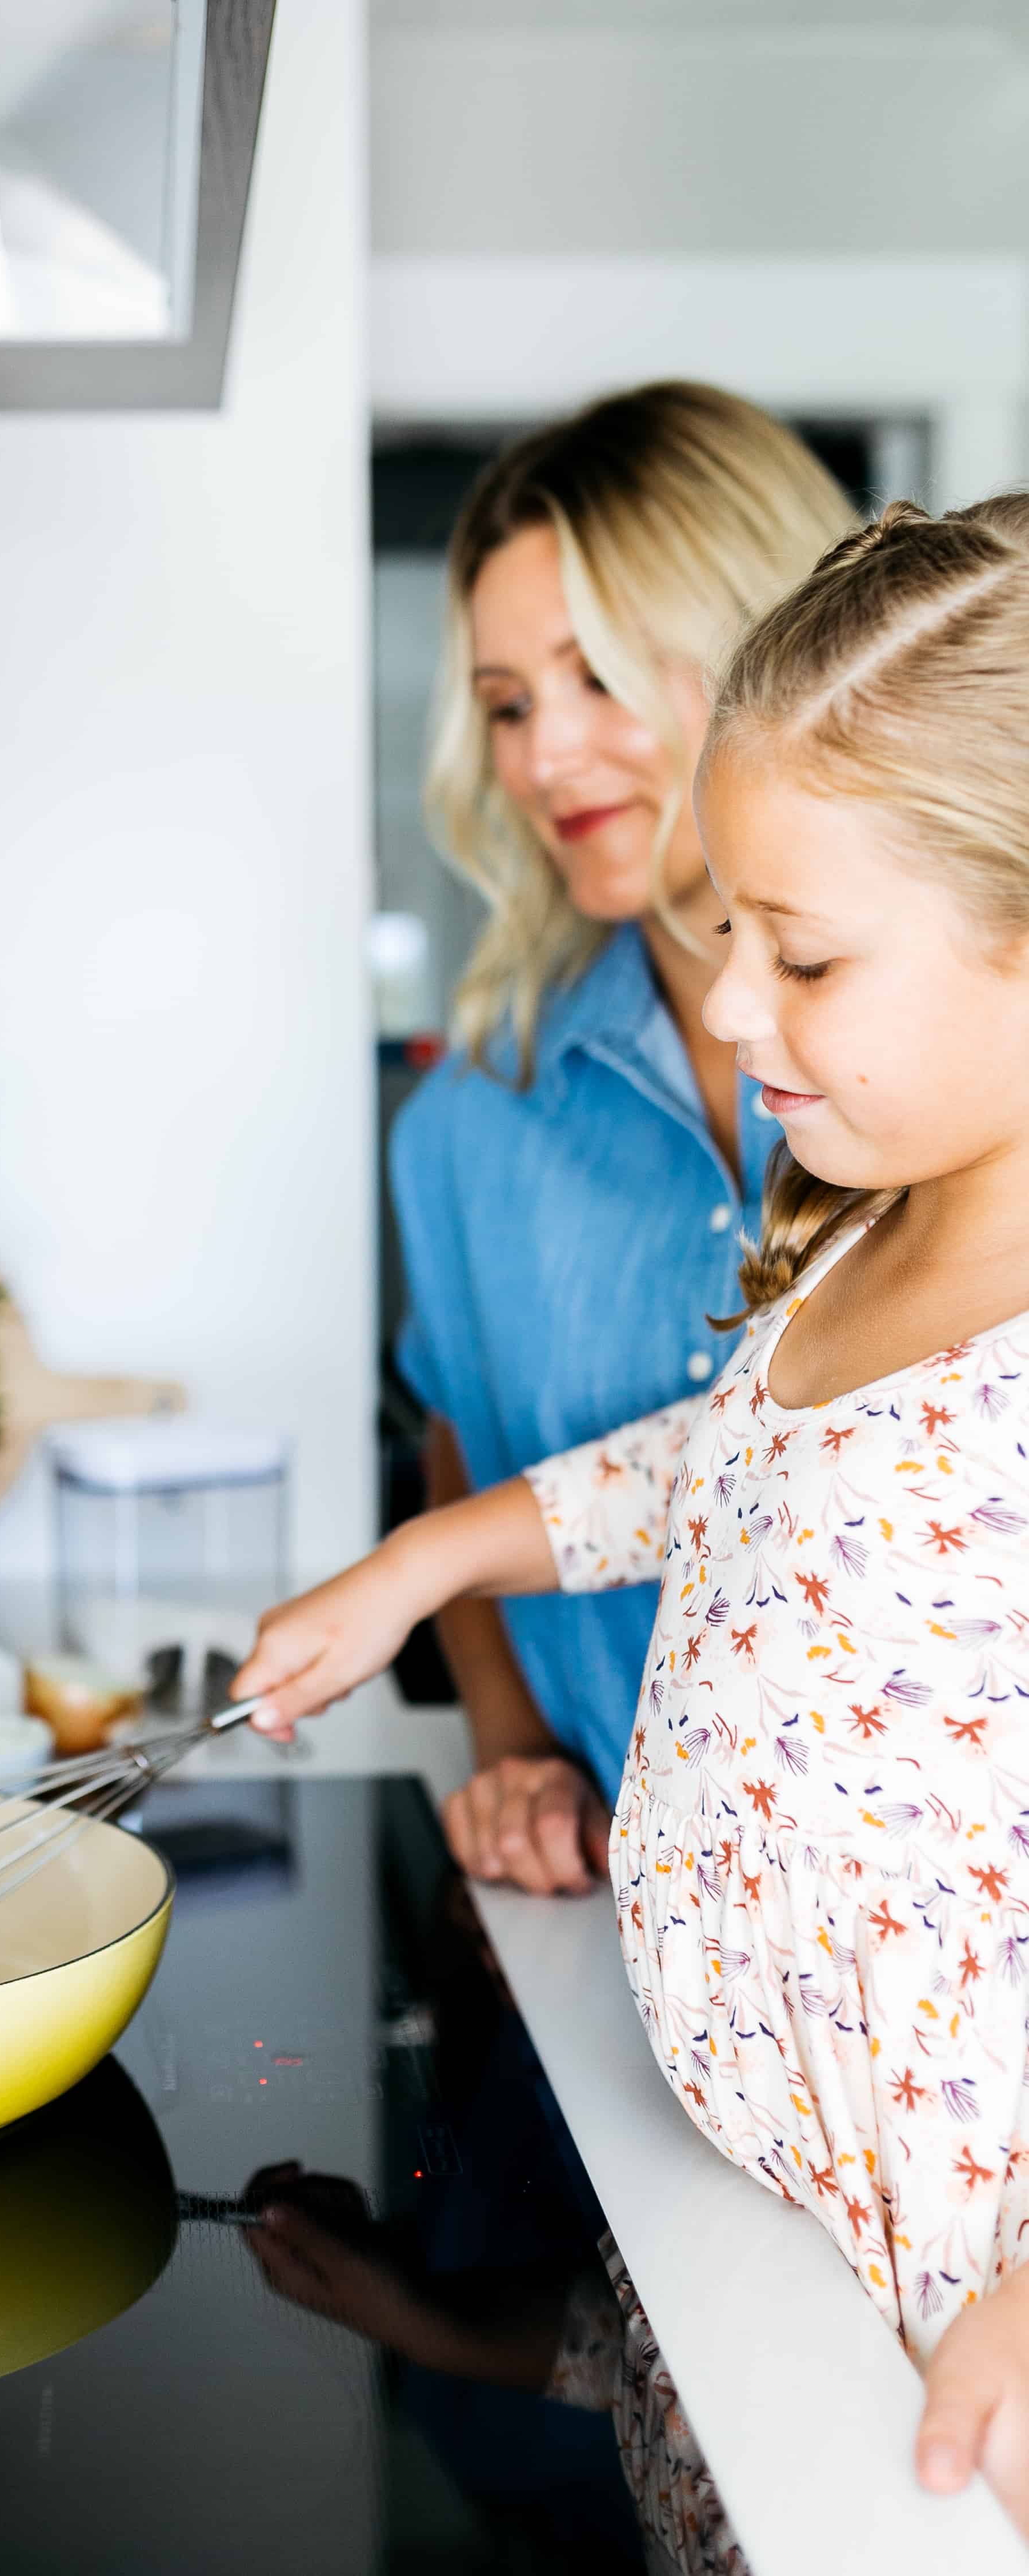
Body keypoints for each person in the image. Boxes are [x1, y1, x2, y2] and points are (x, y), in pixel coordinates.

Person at [239, 495, 1029, 2528]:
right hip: (764, 2247)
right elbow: (729, 1473)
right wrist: (431, 1560)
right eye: (729, 933)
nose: (738, 1005)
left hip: (975, 2340)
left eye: (808, 950)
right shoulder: (855, 1235)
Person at [394, 382, 854, 1895]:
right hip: (635, 1948)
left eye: (596, 673)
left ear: (766, 647)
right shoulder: (471, 1123)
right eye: (511, 704)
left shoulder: (971, 1065)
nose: (543, 757)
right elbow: (463, 1445)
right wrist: (508, 1740)